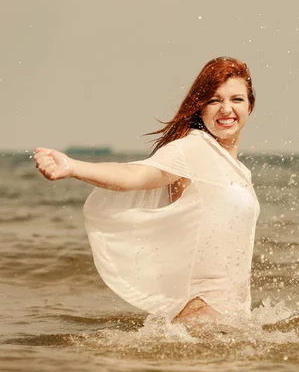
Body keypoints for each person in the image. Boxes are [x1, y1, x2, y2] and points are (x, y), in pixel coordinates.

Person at [33, 57, 260, 323]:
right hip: (202, 315)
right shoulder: (192, 149)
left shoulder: (238, 170)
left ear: (250, 105)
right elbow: (136, 174)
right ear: (200, 107)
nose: (225, 109)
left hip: (230, 317)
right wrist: (72, 166)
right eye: (213, 100)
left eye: (236, 99)